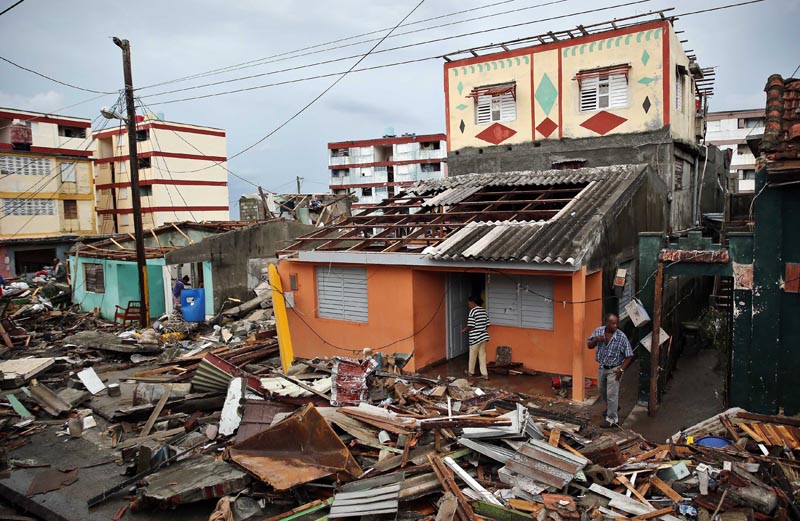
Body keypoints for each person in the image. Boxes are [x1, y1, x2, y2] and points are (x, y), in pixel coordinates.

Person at [587, 314, 634, 428]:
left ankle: (612, 419)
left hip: (615, 368)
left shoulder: (621, 337)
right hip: (603, 367)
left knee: (612, 394)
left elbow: (629, 355)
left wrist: (621, 370)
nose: (615, 325)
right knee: (601, 389)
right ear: (606, 323)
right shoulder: (598, 331)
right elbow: (589, 345)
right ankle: (613, 406)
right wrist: (596, 339)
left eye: (616, 323)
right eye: (612, 323)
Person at [462, 295, 490, 380]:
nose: (468, 304)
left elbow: (471, 326)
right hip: (484, 336)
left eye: (469, 302)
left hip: (475, 338)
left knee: (473, 355)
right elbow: (488, 324)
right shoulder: (483, 311)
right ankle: (485, 374)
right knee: (482, 355)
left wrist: (464, 330)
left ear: (473, 302)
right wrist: (481, 329)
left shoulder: (473, 311)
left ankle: (470, 372)